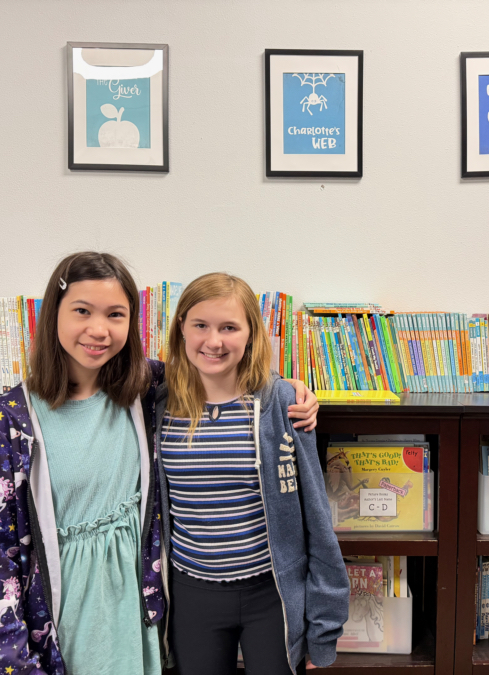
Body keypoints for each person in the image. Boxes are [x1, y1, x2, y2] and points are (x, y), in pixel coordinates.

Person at [0, 253, 319, 675]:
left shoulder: (147, 387)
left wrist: (288, 389)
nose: (98, 330)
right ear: (52, 315)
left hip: (142, 613)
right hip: (62, 615)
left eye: (115, 314)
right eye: (82, 311)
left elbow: (222, 372)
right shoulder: (11, 419)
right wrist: (14, 660)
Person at [157, 272, 349, 674]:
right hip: (192, 594)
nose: (214, 341)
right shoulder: (156, 400)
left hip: (272, 594)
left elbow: (316, 515)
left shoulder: (282, 402)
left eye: (229, 327)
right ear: (181, 328)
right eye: (201, 326)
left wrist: (324, 627)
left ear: (250, 334)